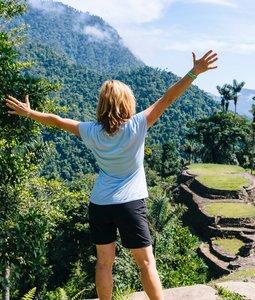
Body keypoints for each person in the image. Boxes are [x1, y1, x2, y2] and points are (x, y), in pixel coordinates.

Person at [5, 50, 218, 300]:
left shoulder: (90, 131)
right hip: (129, 204)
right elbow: (167, 99)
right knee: (146, 263)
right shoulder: (138, 125)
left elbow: (57, 120)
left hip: (100, 204)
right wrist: (194, 72)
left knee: (104, 263)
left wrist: (30, 113)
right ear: (127, 102)